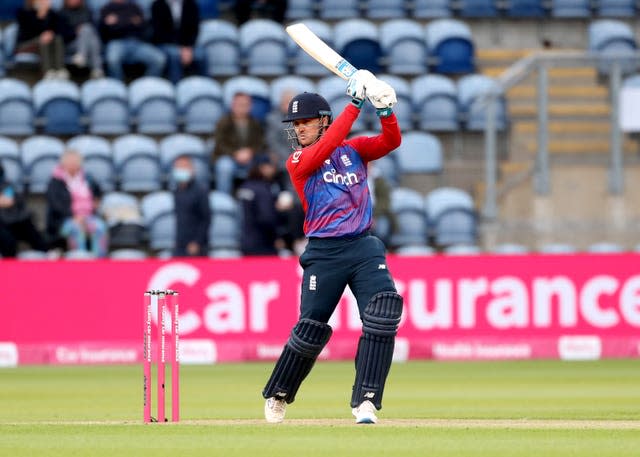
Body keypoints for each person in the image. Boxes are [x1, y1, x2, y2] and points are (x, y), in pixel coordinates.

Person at [261, 71, 403, 425]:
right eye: (295, 124)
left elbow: (390, 142)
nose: (298, 129)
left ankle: (366, 401)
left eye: (305, 122)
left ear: (324, 122)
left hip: (363, 246)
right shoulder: (297, 163)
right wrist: (355, 105)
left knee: (383, 314)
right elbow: (324, 148)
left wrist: (385, 110)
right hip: (324, 253)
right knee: (311, 327)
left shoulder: (354, 150)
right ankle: (279, 393)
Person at [45, 150, 108, 257]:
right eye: (70, 161)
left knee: (100, 227)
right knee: (76, 229)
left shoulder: (88, 178)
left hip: (88, 216)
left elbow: (97, 193)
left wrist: (96, 202)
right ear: (63, 163)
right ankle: (79, 260)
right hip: (64, 219)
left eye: (75, 161)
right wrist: (74, 216)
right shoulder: (55, 181)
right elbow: (55, 204)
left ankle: (99, 260)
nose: (73, 164)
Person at [211, 92, 265, 194]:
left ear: (250, 106)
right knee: (225, 167)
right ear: (233, 105)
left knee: (261, 167)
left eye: (245, 105)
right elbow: (220, 144)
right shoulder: (223, 122)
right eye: (240, 105)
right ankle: (224, 199)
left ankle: (254, 198)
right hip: (228, 157)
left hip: (250, 158)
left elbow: (260, 143)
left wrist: (250, 152)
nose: (242, 108)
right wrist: (236, 154)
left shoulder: (255, 123)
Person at [98, 0, 166, 81]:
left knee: (159, 59)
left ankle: (147, 86)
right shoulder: (107, 8)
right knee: (112, 60)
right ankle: (118, 87)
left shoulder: (134, 6)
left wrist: (118, 23)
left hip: (136, 42)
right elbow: (102, 31)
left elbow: (144, 26)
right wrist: (130, 22)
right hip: (116, 42)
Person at [0, 163, 49, 258]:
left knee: (28, 226)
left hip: (12, 219)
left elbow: (8, 200)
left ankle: (47, 255)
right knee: (6, 238)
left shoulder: (6, 184)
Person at [236, 154, 280, 256]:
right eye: (271, 166)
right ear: (263, 168)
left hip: (245, 241)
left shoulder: (245, 186)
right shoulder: (263, 189)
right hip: (263, 244)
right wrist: (276, 237)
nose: (274, 170)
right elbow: (266, 217)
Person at [150, 0, 202, 84]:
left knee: (202, 54)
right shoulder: (157, 5)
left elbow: (194, 30)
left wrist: (188, 47)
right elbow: (159, 32)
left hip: (187, 45)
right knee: (175, 55)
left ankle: (206, 86)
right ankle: (176, 86)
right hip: (164, 43)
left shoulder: (191, 4)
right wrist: (181, 48)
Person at [15, 0, 68, 79]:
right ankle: (47, 71)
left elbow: (60, 30)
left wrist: (46, 18)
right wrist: (40, 17)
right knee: (44, 40)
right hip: (25, 43)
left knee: (57, 39)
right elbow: (27, 33)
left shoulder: (52, 14)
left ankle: (60, 69)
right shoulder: (24, 13)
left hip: (45, 41)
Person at [172, 155, 210, 257]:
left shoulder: (200, 191)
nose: (180, 170)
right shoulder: (177, 191)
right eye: (178, 167)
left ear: (192, 169)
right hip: (180, 244)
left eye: (184, 167)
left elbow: (206, 219)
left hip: (196, 246)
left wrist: (197, 242)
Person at [59, 0, 104, 79]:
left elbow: (94, 29)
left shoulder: (87, 11)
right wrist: (75, 32)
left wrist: (82, 30)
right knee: (89, 34)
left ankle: (82, 56)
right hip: (70, 44)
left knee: (91, 36)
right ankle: (97, 69)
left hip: (87, 42)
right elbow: (61, 34)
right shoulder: (62, 13)